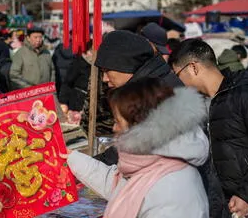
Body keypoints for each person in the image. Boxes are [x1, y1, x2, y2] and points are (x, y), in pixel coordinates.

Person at [68, 78, 209, 218]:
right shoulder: (153, 162)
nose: (114, 128)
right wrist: (72, 158)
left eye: (118, 122)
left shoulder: (172, 191)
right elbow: (118, 185)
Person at [169, 39, 248, 218]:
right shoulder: (200, 104)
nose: (180, 83)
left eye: (178, 75)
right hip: (220, 206)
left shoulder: (246, 95)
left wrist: (247, 196)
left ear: (193, 67)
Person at [87, 30, 183, 165]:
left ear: (124, 65)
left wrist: (88, 167)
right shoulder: (150, 87)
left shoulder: (159, 94)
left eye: (106, 71)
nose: (104, 79)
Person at [59, 41, 93, 123]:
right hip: (76, 102)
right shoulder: (77, 63)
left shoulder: (94, 66)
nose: (94, 55)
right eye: (91, 51)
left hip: (88, 102)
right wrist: (63, 102)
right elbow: (67, 83)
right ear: (86, 52)